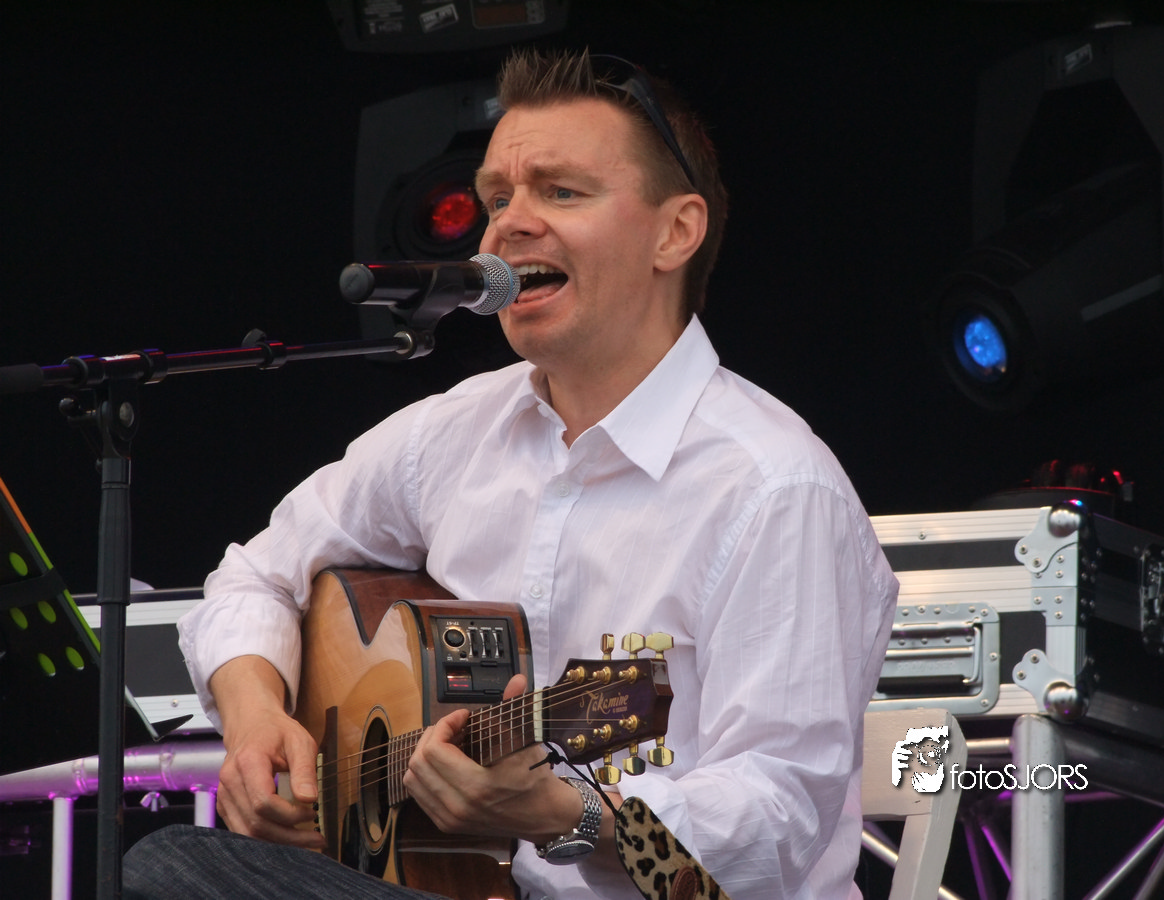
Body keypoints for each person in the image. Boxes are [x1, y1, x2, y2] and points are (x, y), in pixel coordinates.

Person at [124, 48, 898, 900]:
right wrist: (254, 719)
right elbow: (254, 575)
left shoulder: (775, 489)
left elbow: (776, 831)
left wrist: (570, 814)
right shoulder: (452, 433)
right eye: (497, 198)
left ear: (675, 233)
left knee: (169, 869)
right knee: (172, 864)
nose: (506, 227)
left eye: (561, 192)